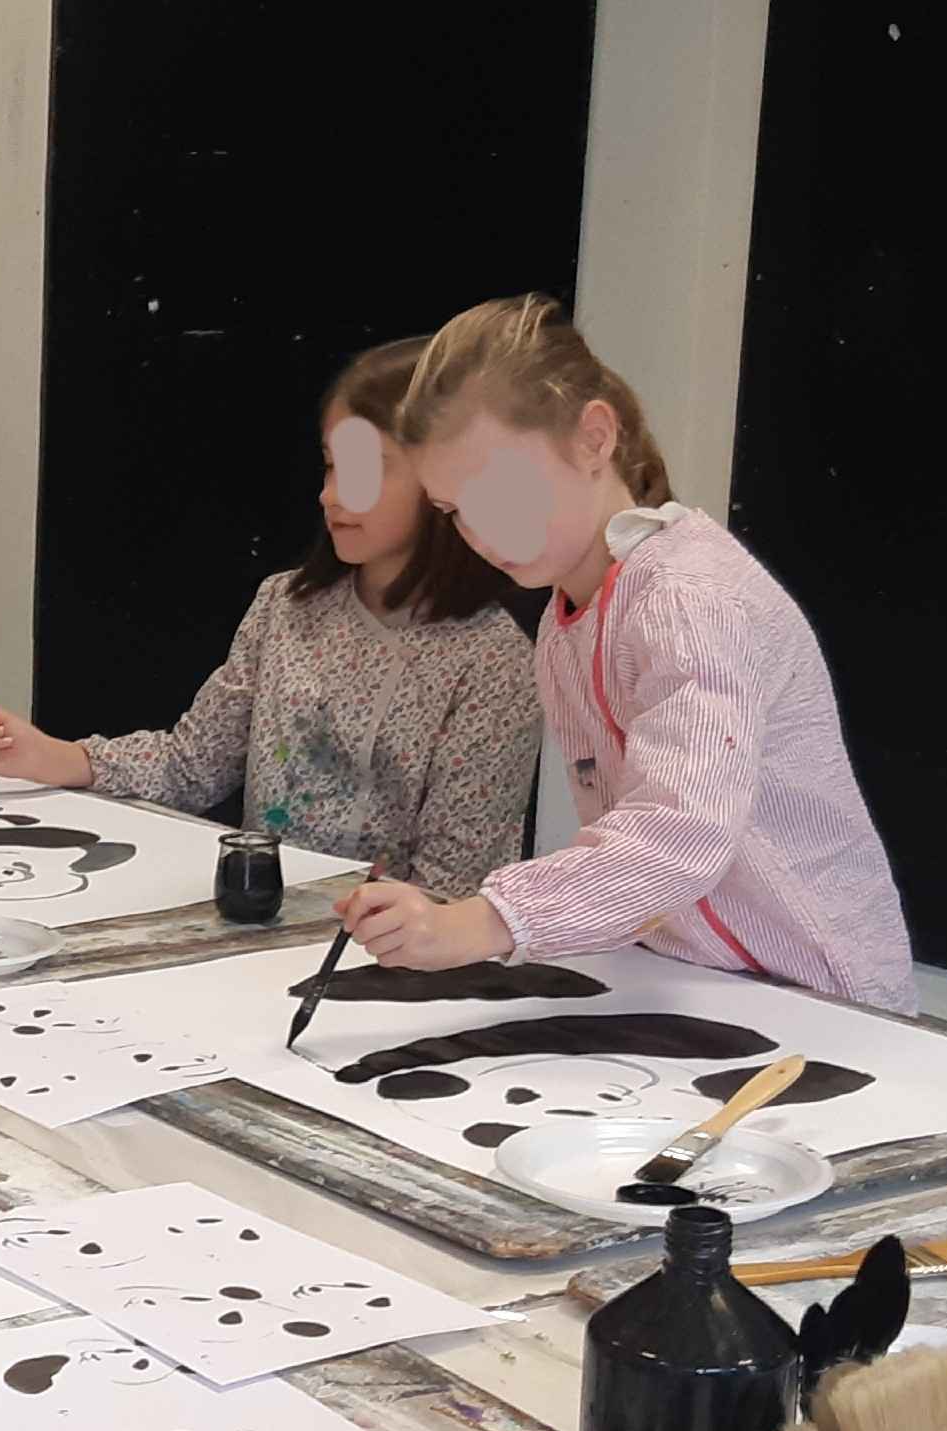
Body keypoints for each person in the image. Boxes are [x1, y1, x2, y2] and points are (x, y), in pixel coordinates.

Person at [336, 296, 912, 1007]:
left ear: (593, 438)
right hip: (700, 983)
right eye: (453, 511)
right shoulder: (565, 624)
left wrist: (485, 921)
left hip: (829, 997)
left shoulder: (690, 596)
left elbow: (680, 830)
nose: (479, 533)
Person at [0, 337, 540, 891]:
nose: (332, 495)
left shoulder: (494, 661)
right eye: (330, 467)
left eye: (366, 470)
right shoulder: (286, 605)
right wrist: (52, 757)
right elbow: (193, 765)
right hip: (263, 916)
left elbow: (456, 882)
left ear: (446, 481)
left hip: (393, 947)